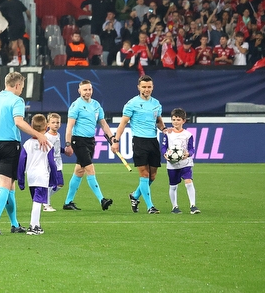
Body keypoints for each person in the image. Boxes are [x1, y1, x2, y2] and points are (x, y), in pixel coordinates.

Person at [0, 71, 49, 235]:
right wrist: (38, 134)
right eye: (21, 86)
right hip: (9, 145)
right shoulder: (17, 101)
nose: (21, 90)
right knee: (5, 184)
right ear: (17, 85)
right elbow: (18, 122)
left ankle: (15, 224)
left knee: (10, 185)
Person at [113, 75, 166, 215]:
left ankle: (135, 196)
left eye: (149, 87)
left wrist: (165, 129)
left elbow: (159, 121)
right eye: (144, 87)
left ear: (152, 87)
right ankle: (150, 206)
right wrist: (116, 140)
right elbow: (123, 123)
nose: (147, 89)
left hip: (153, 141)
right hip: (139, 142)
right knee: (144, 174)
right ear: (139, 87)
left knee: (152, 176)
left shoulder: (156, 103)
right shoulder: (132, 104)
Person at [63, 80, 116, 211]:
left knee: (79, 171)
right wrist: (68, 144)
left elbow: (103, 124)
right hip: (78, 141)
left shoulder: (96, 105)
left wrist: (112, 138)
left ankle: (68, 202)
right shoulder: (76, 106)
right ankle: (102, 199)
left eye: (89, 89)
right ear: (79, 91)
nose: (87, 92)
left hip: (90, 141)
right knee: (90, 169)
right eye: (85, 90)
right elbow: (69, 127)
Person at [17, 114, 59, 235]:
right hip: (42, 176)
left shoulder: (26, 144)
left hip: (30, 176)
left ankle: (38, 225)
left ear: (31, 126)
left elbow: (21, 163)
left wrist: (20, 179)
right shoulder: (48, 144)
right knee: (38, 201)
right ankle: (33, 226)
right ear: (46, 127)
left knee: (36, 200)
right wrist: (54, 180)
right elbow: (52, 164)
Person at [162, 108, 199, 214]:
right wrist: (165, 154)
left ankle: (193, 205)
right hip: (172, 164)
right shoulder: (168, 133)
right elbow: (164, 147)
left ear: (183, 121)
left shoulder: (188, 135)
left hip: (185, 163)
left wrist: (188, 154)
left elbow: (191, 149)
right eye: (173, 120)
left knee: (188, 181)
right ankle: (175, 207)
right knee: (173, 186)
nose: (175, 122)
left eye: (178, 120)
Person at [42, 113, 62, 213]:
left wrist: (64, 151)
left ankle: (44, 197)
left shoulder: (58, 134)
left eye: (57, 122)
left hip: (58, 162)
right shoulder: (46, 136)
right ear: (48, 124)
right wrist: (50, 164)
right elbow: (47, 151)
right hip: (50, 163)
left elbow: (56, 149)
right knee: (52, 183)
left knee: (60, 184)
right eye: (53, 122)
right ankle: (46, 205)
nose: (56, 124)